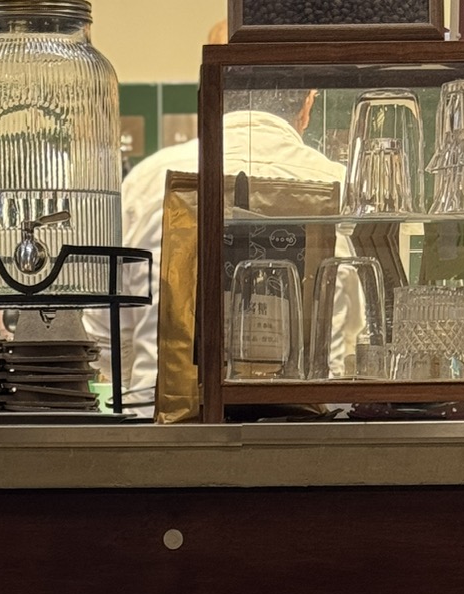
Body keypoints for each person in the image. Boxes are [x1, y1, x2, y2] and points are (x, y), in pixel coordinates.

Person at [94, 18, 345, 411]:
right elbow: (353, 343)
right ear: (308, 104)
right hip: (309, 431)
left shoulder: (148, 179)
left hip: (165, 428)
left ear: (208, 89)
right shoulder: (342, 183)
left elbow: (105, 335)